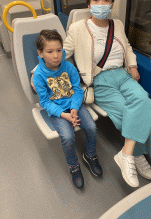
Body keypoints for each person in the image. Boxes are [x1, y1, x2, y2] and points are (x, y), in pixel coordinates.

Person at [32, 0, 151, 188]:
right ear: (89, 4)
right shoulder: (78, 28)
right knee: (127, 111)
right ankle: (137, 154)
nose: (101, 4)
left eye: (106, 0)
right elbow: (60, 53)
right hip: (100, 79)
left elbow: (126, 46)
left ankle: (127, 154)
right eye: (96, 0)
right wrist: (36, 71)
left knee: (144, 102)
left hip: (123, 75)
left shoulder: (117, 24)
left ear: (111, 4)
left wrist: (133, 65)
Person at [33, 30, 103, 189]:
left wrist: (74, 108)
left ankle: (90, 156)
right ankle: (74, 166)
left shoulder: (68, 66)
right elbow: (44, 102)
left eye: (59, 50)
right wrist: (64, 115)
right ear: (41, 53)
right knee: (68, 137)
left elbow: (78, 90)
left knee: (91, 127)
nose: (56, 55)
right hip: (57, 110)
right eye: (50, 51)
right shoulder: (38, 75)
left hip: (74, 105)